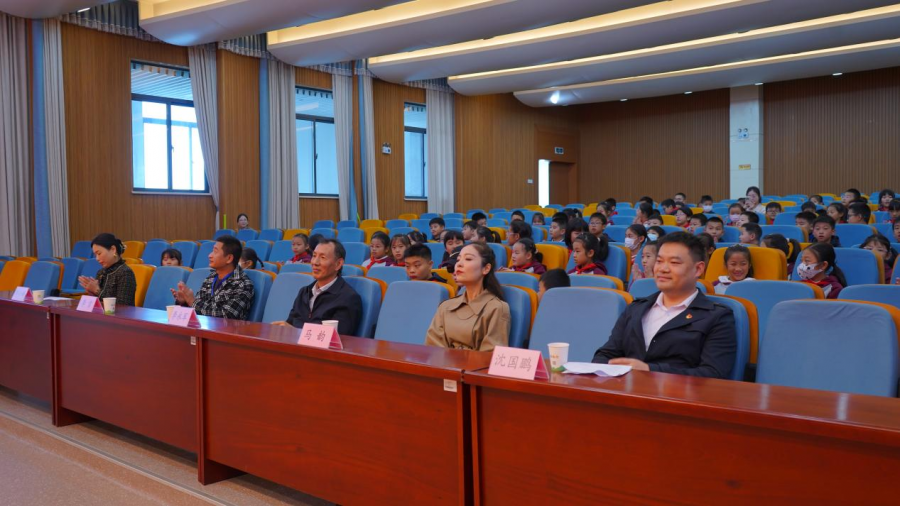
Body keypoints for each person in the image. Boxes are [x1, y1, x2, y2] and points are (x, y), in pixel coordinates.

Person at [592, 232, 736, 378]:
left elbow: (712, 374)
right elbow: (606, 354)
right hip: (625, 389)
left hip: (677, 392)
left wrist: (649, 371)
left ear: (698, 269)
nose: (663, 269)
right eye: (659, 261)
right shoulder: (636, 308)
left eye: (674, 263)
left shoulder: (717, 317)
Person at [425, 243, 510, 352]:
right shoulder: (445, 306)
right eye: (458, 260)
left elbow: (489, 356)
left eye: (468, 259)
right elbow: (433, 349)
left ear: (486, 268)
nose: (459, 264)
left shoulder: (497, 308)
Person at [274, 239, 363, 335]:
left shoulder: (348, 298)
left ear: (338, 264)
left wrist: (296, 332)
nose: (315, 262)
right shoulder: (304, 292)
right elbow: (290, 324)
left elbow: (337, 337)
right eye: (314, 256)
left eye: (323, 257)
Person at [172, 236, 254, 320]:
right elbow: (199, 307)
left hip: (226, 328)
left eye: (215, 251)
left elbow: (226, 315)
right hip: (205, 326)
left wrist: (192, 301)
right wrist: (184, 302)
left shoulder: (243, 284)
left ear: (229, 258)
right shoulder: (210, 278)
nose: (210, 255)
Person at [78, 233, 136, 306]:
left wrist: (97, 290)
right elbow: (99, 303)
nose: (97, 258)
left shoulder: (126, 273)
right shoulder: (101, 272)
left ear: (113, 249)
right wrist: (92, 293)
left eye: (99, 253)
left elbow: (123, 305)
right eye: (95, 255)